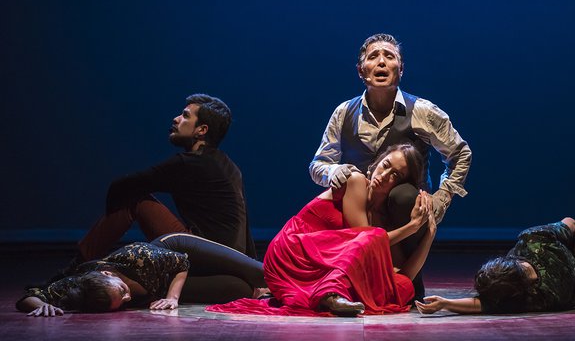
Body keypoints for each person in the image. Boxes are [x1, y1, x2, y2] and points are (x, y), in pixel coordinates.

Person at [309, 33, 471, 299]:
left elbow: (460, 153)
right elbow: (319, 164)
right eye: (373, 57)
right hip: (360, 213)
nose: (382, 62)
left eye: (389, 56)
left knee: (404, 195)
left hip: (401, 210)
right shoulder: (344, 113)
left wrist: (442, 197)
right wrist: (333, 171)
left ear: (401, 69)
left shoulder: (422, 110)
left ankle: (408, 276)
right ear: (361, 71)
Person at [207, 144, 437, 317]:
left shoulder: (383, 221)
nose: (384, 176)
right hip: (294, 250)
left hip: (323, 266)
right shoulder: (356, 181)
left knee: (403, 287)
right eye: (385, 165)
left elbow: (403, 275)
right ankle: (330, 294)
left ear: (401, 185)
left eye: (395, 175)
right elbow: (364, 239)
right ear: (376, 163)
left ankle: (332, 294)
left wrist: (428, 235)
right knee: (372, 236)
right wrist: (411, 227)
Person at [58, 94, 256, 280]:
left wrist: (112, 211)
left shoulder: (189, 164)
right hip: (234, 262)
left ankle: (76, 268)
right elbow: (243, 223)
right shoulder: (230, 167)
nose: (176, 119)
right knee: (132, 193)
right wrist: (251, 270)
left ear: (201, 130)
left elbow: (122, 186)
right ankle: (83, 265)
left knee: (134, 198)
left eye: (185, 115)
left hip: (205, 260)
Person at [414, 217, 575, 315]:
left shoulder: (530, 300)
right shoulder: (534, 239)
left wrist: (446, 304)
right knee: (565, 234)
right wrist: (569, 232)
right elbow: (571, 222)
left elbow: (481, 306)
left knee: (573, 278)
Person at [17, 233, 266, 316]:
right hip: (162, 284)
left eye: (122, 291)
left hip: (177, 252)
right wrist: (41, 306)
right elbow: (30, 297)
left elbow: (182, 262)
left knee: (259, 273)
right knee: (240, 290)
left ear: (108, 273)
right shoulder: (83, 290)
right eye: (123, 302)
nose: (128, 298)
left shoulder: (138, 257)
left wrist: (173, 298)